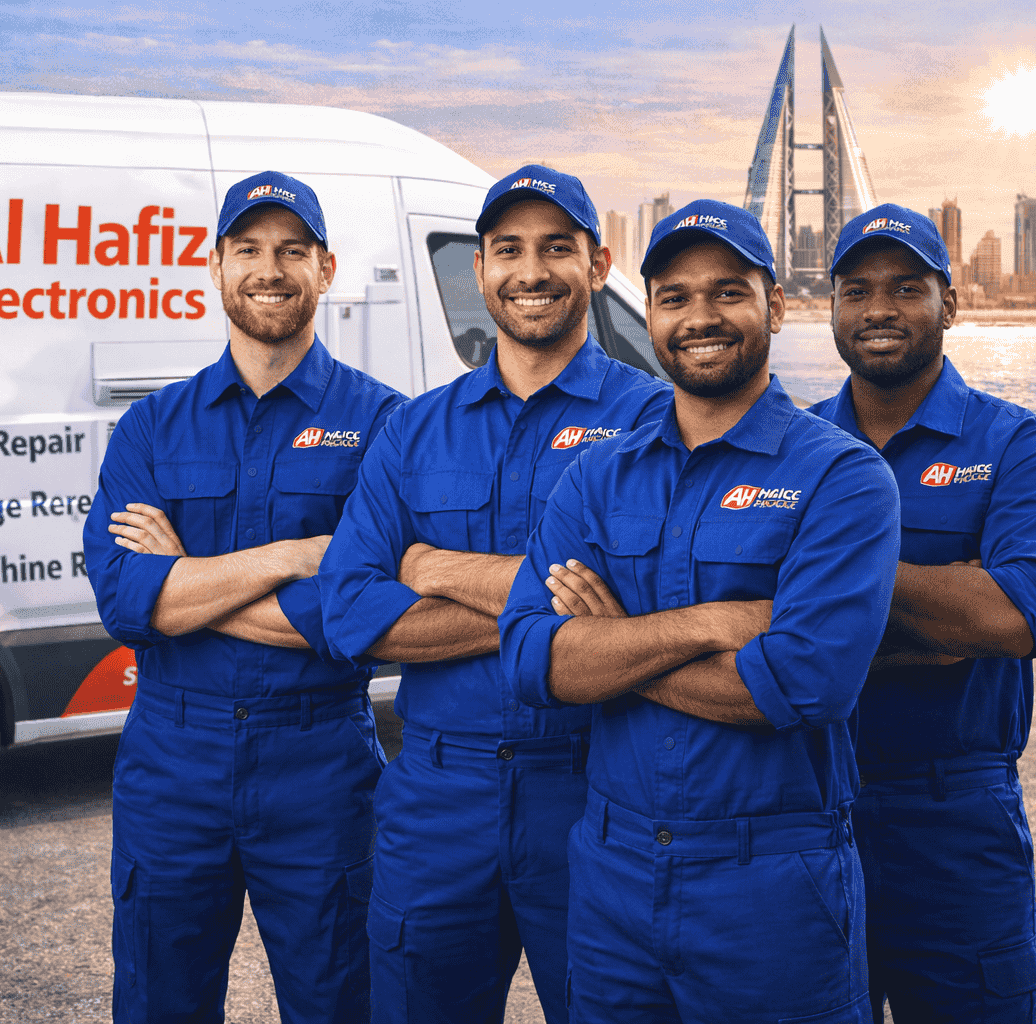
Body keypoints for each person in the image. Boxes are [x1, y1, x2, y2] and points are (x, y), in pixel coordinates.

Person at [499, 200, 903, 1023]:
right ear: (648, 315)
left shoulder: (844, 478)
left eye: (727, 292)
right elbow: (531, 661)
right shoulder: (596, 477)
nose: (700, 317)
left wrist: (610, 646)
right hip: (610, 871)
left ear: (775, 306)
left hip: (773, 878)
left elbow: (804, 682)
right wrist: (709, 626)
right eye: (674, 297)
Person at [318, 165, 671, 1024]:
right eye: (508, 249)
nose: (531, 270)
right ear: (478, 269)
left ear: (598, 264)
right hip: (437, 798)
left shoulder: (654, 422)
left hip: (593, 793)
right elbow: (350, 612)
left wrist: (435, 568)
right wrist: (554, 613)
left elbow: (644, 605)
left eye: (557, 247)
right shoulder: (414, 428)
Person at [83, 170, 404, 1024]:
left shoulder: (385, 426)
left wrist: (188, 576)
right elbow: (126, 603)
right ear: (216, 265)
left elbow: (359, 615)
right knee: (160, 1003)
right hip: (172, 762)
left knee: (339, 1002)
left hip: (320, 766)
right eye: (250, 250)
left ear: (326, 269)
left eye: (293, 251)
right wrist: (293, 555)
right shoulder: (153, 427)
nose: (270, 269)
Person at [810, 204, 1036, 1023]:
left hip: (955, 815)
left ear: (950, 304)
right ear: (831, 308)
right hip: (806, 807)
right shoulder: (791, 447)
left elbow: (1012, 618)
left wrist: (827, 590)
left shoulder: (1019, 446)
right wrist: (937, 618)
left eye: (906, 288)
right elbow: (742, 617)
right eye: (857, 290)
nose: (879, 309)